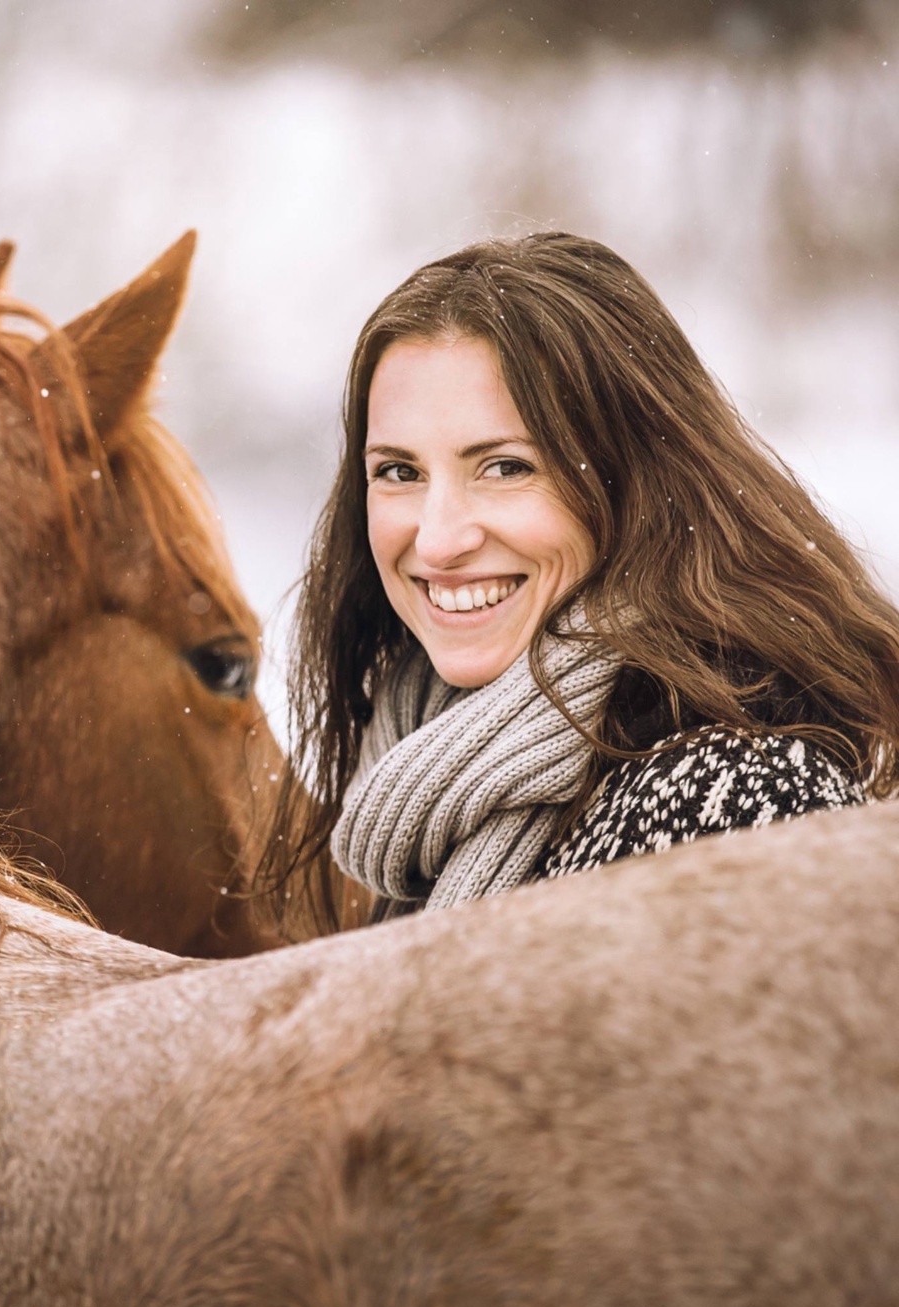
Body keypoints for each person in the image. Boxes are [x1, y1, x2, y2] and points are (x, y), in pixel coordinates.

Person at [265, 231, 899, 926]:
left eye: (506, 467)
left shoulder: (736, 804)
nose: (438, 540)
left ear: (642, 488)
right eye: (398, 471)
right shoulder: (418, 788)